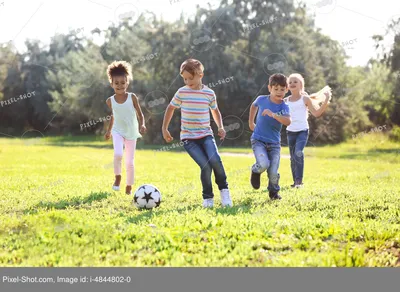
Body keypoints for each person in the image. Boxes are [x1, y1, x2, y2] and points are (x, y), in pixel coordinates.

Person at [162, 58, 232, 208]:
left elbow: (215, 110)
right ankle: (208, 198)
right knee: (205, 166)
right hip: (188, 138)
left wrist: (220, 127)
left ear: (200, 74)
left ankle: (224, 191)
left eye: (190, 78)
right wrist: (164, 128)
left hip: (206, 135)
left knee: (215, 161)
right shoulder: (182, 92)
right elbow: (170, 108)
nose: (187, 82)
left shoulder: (209, 93)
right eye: (184, 79)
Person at [104, 61, 146, 195]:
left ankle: (129, 185)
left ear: (127, 83)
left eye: (123, 83)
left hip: (131, 133)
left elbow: (140, 114)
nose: (120, 85)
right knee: (118, 154)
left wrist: (142, 124)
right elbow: (113, 116)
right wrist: (109, 131)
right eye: (116, 83)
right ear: (112, 84)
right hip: (117, 131)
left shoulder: (132, 97)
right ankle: (117, 177)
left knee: (129, 162)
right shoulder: (110, 101)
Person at [248, 73, 291, 200]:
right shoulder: (262, 99)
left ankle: (274, 192)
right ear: (269, 88)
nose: (279, 92)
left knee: (273, 172)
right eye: (276, 89)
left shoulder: (284, 106)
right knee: (263, 164)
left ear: (286, 90)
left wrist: (274, 115)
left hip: (274, 144)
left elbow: (288, 122)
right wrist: (251, 122)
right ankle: (255, 171)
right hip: (258, 140)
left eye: (282, 89)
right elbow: (253, 106)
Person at [285, 73, 331, 188]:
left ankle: (299, 182)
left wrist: (325, 102)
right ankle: (295, 181)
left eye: (295, 81)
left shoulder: (305, 99)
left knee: (298, 153)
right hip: (290, 131)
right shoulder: (285, 101)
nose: (292, 84)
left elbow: (316, 113)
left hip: (302, 131)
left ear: (301, 84)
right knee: (292, 157)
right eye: (290, 82)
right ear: (288, 86)